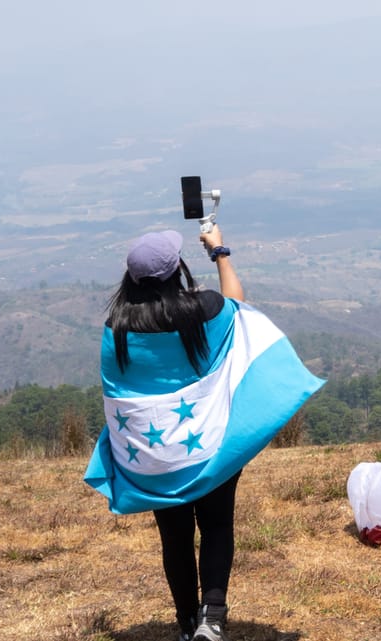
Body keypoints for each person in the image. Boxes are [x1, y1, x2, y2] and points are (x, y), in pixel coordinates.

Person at [84, 226, 323, 641]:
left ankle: (184, 623)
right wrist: (220, 252)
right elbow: (238, 304)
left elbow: (122, 395)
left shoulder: (117, 328)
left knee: (173, 537)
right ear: (176, 270)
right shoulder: (205, 310)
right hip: (207, 448)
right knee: (216, 526)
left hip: (154, 457)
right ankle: (211, 620)